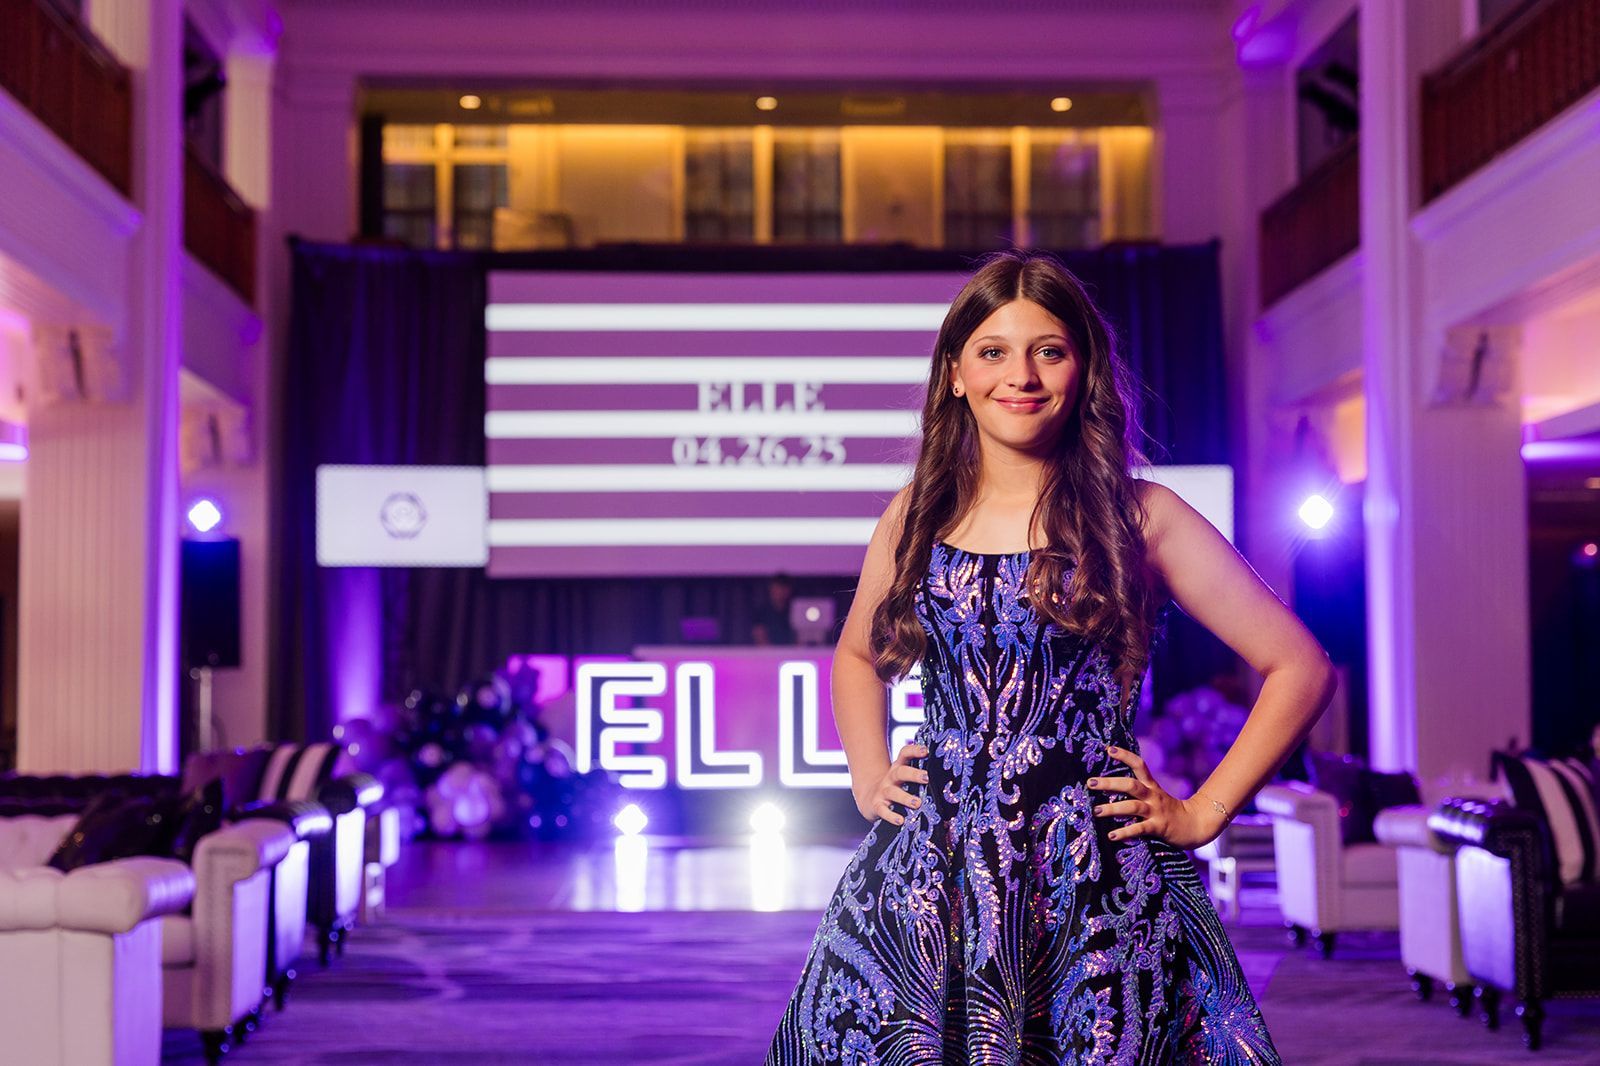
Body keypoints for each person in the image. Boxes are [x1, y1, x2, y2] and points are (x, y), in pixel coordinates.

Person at [766, 250, 1335, 1062]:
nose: (1022, 375)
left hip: (1094, 882)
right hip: (934, 881)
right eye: (994, 351)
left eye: (1050, 350)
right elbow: (857, 657)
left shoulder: (1144, 516)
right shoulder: (915, 516)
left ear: (1082, 370)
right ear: (955, 375)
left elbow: (1302, 667)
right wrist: (868, 776)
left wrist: (1203, 813)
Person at [751, 572, 797, 645]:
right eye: (777, 588)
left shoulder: (795, 611)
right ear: (771, 589)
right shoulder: (762, 612)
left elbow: (800, 638)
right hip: (769, 654)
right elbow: (759, 638)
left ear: (789, 590)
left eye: (784, 588)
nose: (781, 592)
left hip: (793, 654)